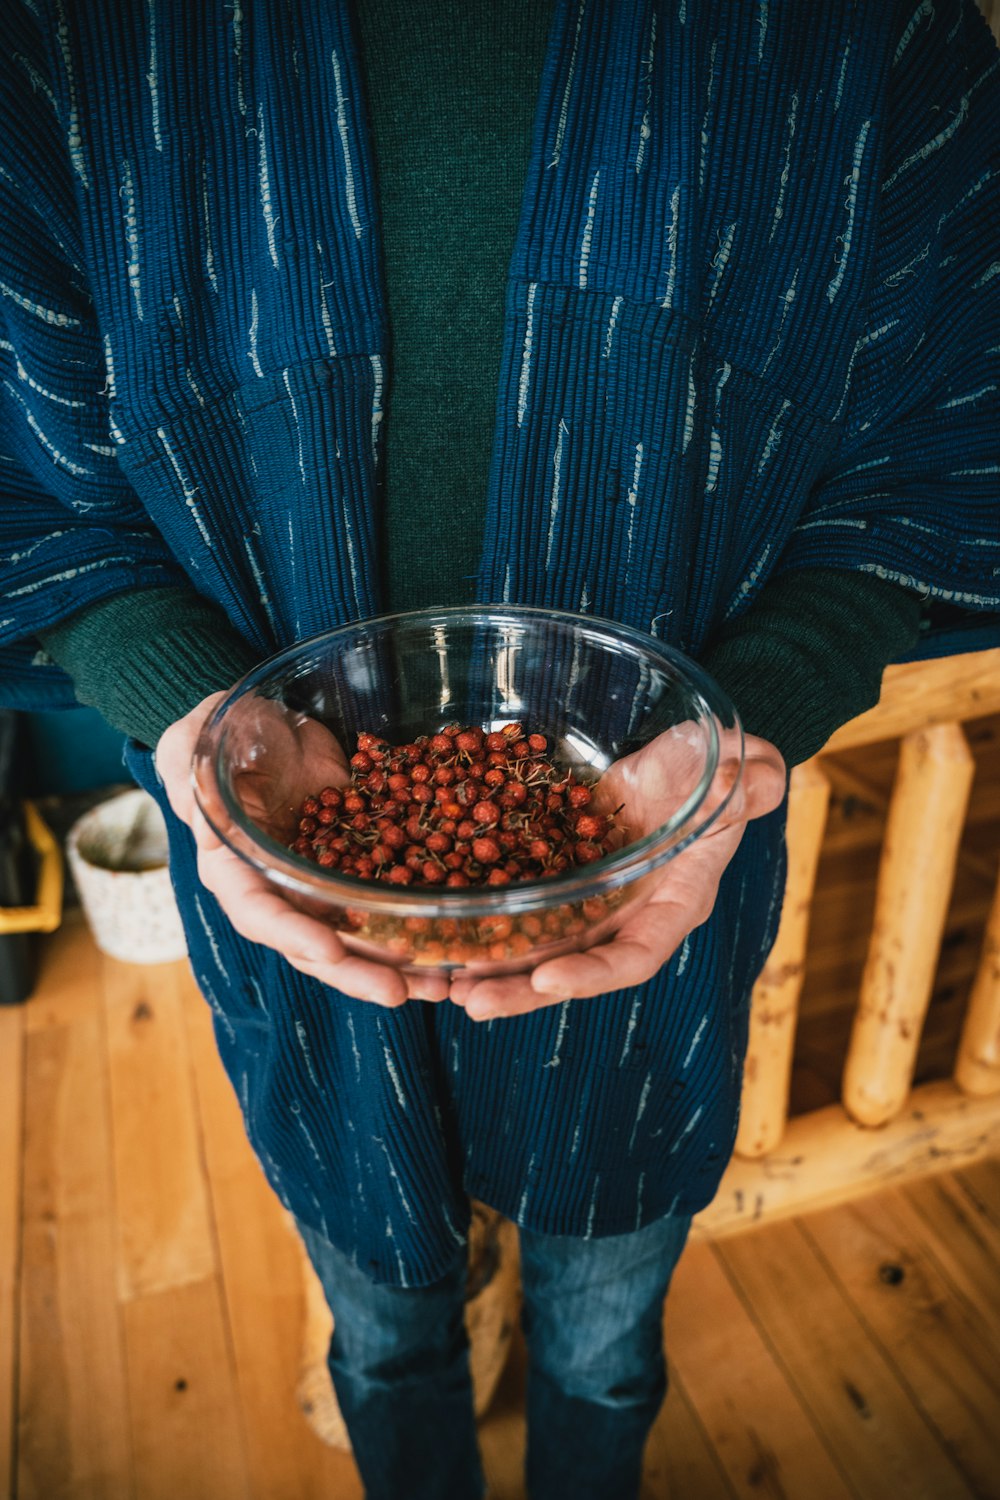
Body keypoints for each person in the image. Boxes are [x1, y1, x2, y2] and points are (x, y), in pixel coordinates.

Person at [2, 3, 998, 1496]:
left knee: (604, 1325)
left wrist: (747, 708)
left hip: (659, 855)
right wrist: (196, 703)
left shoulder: (878, 33)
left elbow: (949, 440)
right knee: (383, 1321)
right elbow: (32, 475)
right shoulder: (66, 41)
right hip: (286, 875)